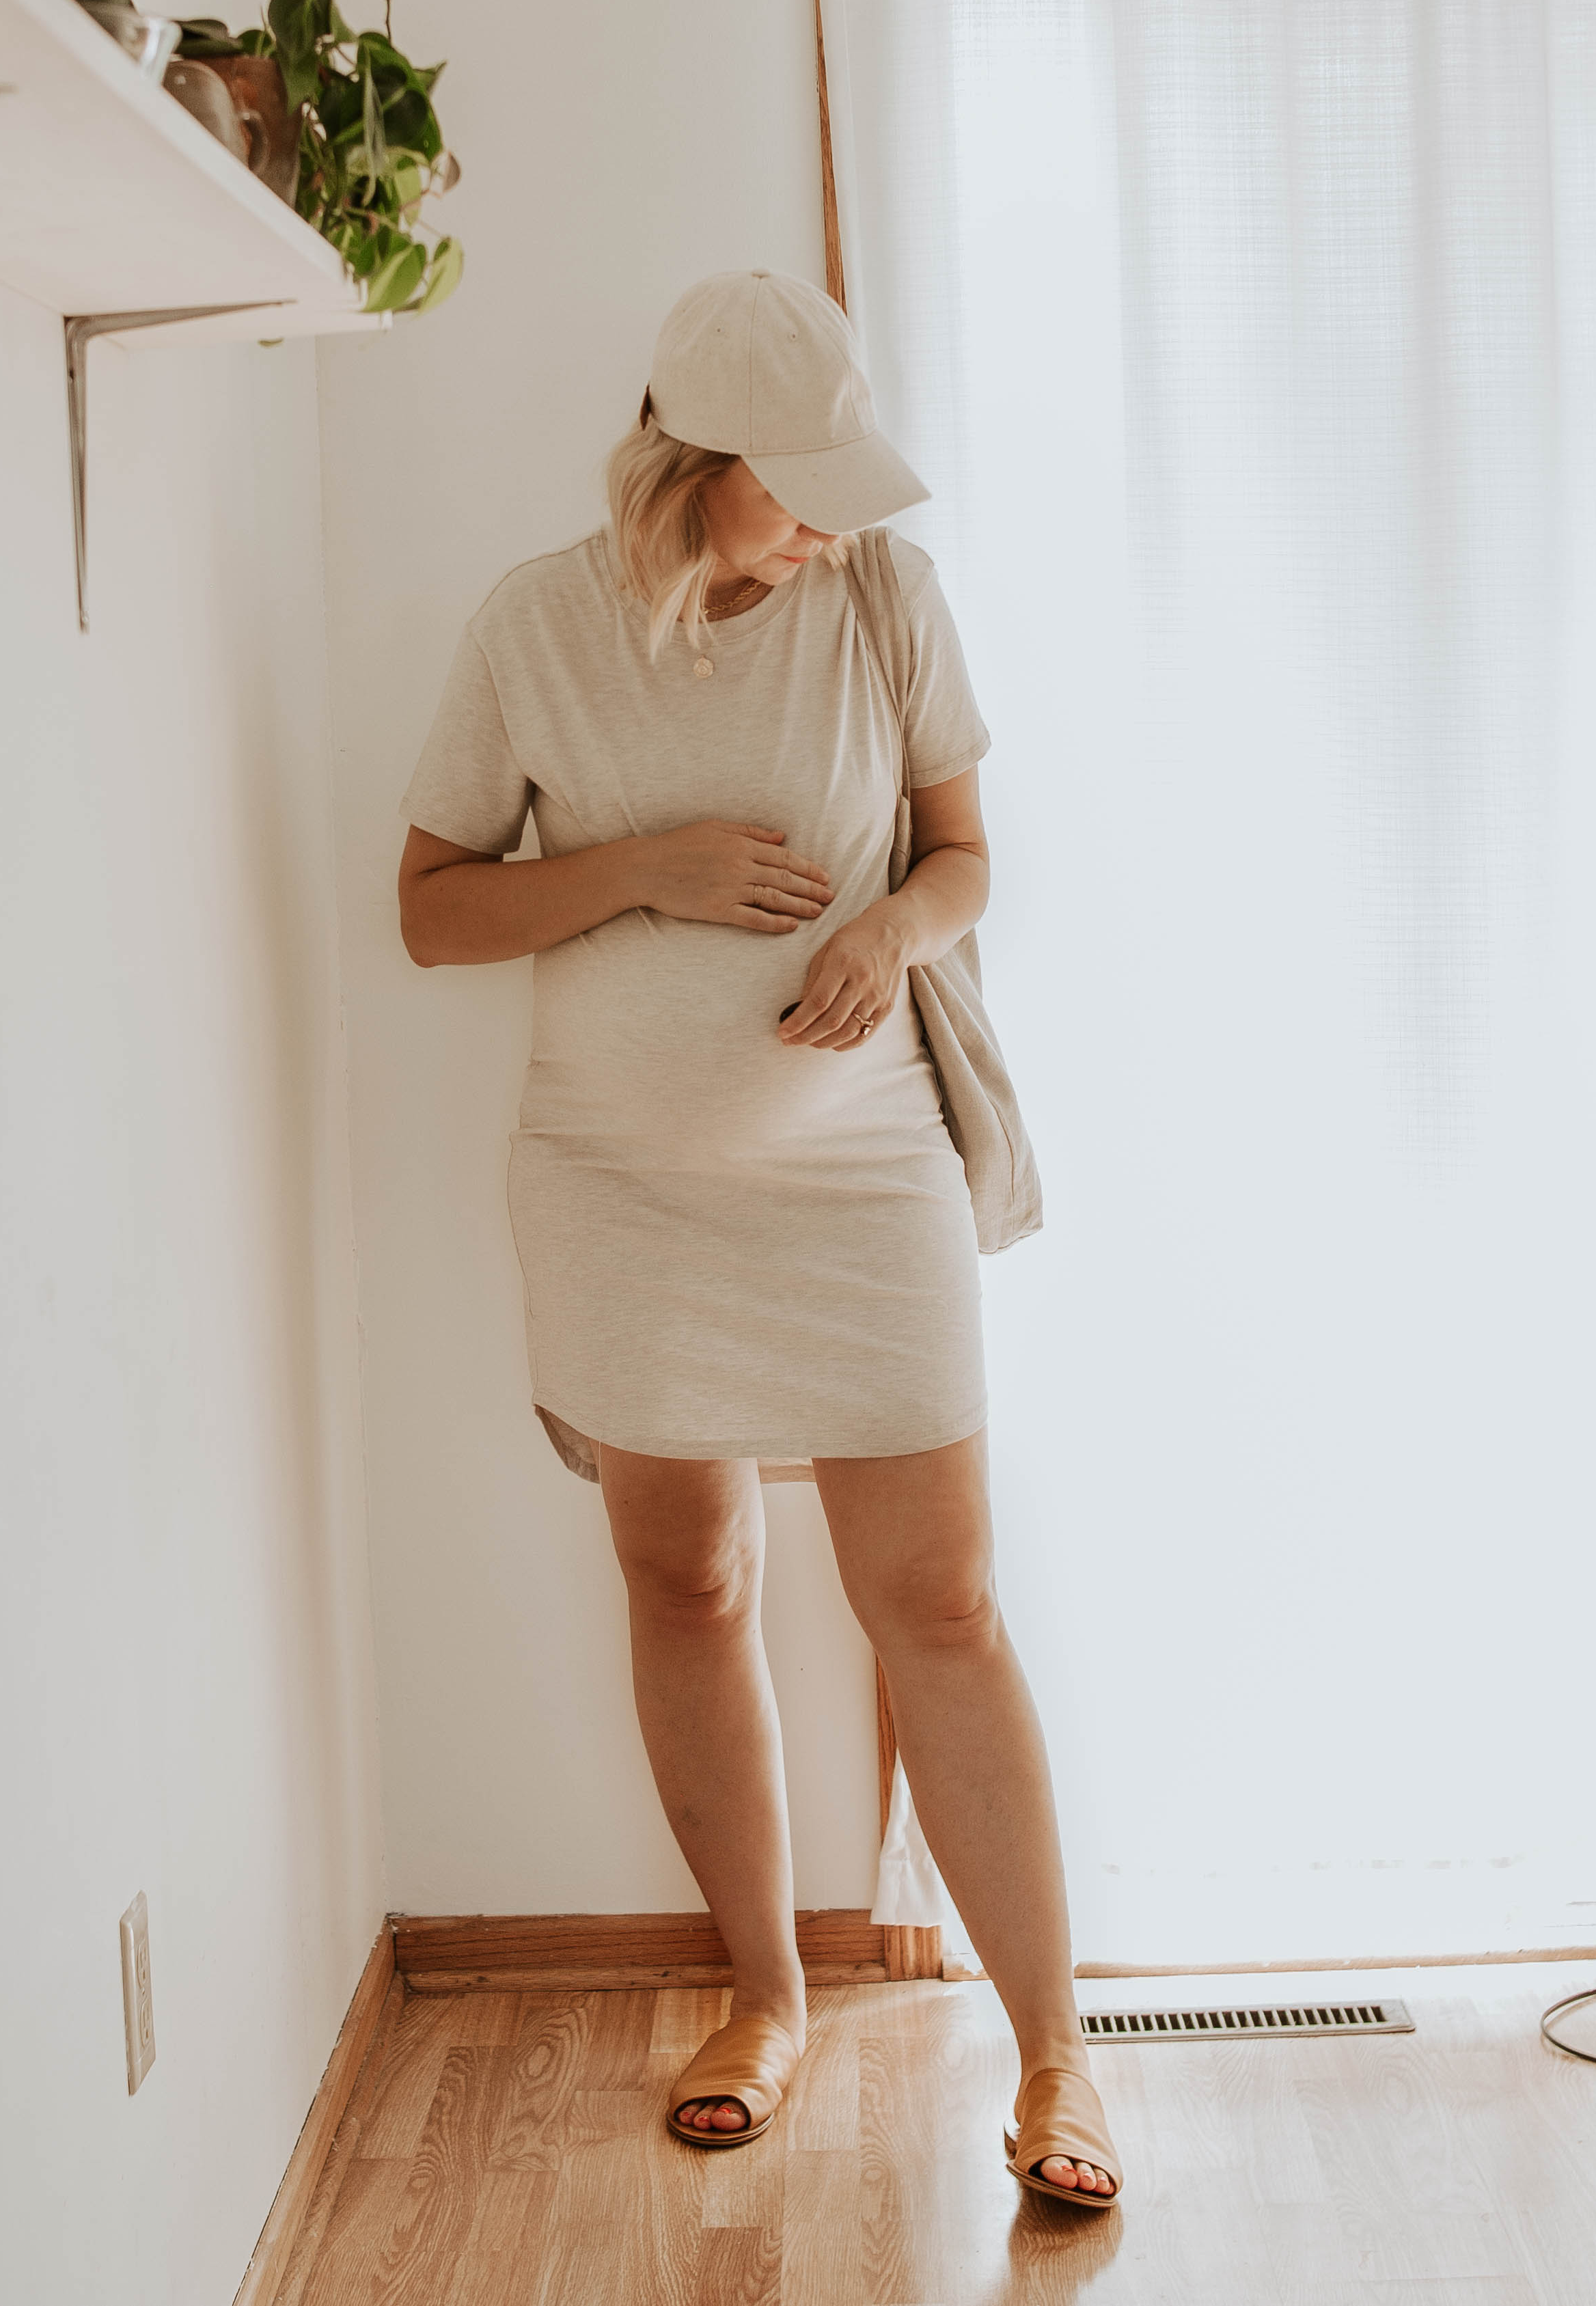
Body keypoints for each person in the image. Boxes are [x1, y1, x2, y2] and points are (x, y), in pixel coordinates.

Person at [396, 269, 1121, 2208]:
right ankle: (765, 1997)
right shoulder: (534, 627)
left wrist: (891, 927)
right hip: (620, 1193)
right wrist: (641, 871)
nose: (825, 523)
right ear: (682, 464)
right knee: (688, 1578)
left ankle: (1057, 2061)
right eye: (792, 488)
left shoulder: (885, 597)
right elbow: (434, 911)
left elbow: (963, 856)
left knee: (940, 1606)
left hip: (857, 1180)